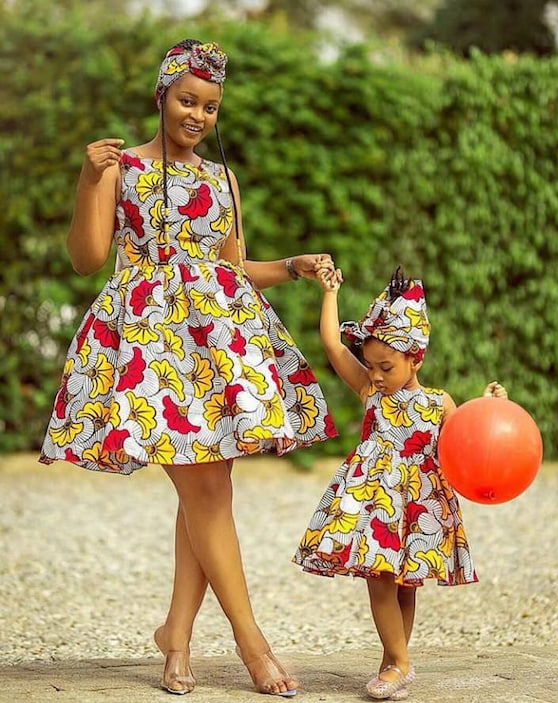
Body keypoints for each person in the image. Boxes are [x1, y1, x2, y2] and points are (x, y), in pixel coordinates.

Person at [39, 38, 338, 697]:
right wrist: (90, 180)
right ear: (161, 95)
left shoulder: (221, 179)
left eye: (210, 106)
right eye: (187, 100)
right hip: (151, 344)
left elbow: (232, 266)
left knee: (205, 492)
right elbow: (88, 257)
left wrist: (293, 265)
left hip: (218, 343)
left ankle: (175, 634)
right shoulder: (123, 169)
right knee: (207, 492)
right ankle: (250, 638)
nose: (198, 115)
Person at [293, 265, 508, 700]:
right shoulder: (370, 392)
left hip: (418, 505)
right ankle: (400, 662)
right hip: (375, 505)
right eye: (370, 365)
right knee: (380, 583)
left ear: (415, 359)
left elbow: (469, 438)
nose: (374, 375)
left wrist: (490, 406)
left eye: (385, 367)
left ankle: (393, 662)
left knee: (406, 584)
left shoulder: (437, 401)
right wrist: (330, 292)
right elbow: (333, 345)